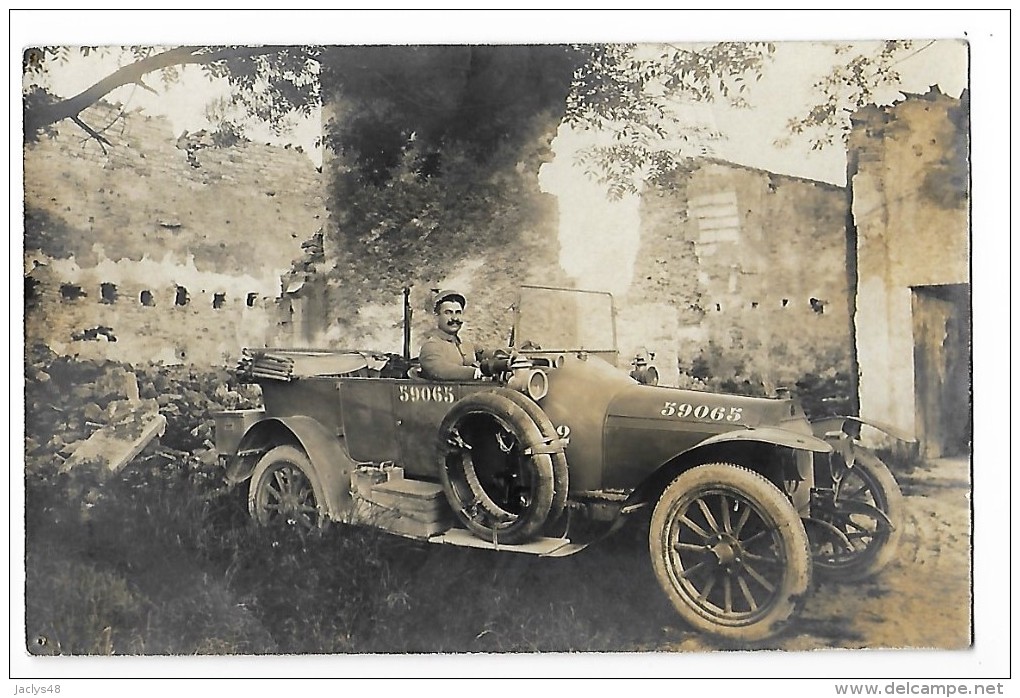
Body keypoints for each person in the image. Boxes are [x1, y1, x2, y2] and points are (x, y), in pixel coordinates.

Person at [418, 290, 485, 380]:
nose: (454, 318)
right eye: (448, 312)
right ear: (437, 316)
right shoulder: (431, 346)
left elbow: (485, 353)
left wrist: (505, 356)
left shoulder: (466, 344)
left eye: (458, 312)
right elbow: (440, 370)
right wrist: (475, 372)